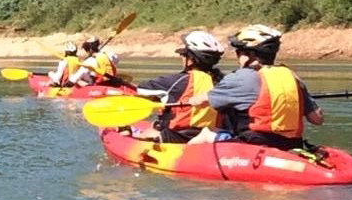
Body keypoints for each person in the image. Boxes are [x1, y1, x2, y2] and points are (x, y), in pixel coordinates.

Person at [187, 24, 323, 149]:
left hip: (253, 146)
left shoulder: (241, 77)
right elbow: (317, 119)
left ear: (249, 55)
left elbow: (201, 100)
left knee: (207, 132)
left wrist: (192, 100)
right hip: (292, 145)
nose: (238, 56)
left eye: (239, 52)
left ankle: (180, 157)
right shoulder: (292, 77)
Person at [129, 31, 225, 142]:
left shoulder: (179, 80)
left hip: (175, 138)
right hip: (210, 137)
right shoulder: (222, 81)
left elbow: (141, 89)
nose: (182, 57)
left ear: (190, 60)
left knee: (149, 131)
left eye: (184, 54)